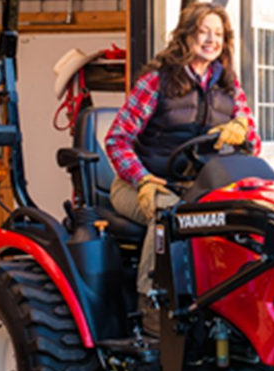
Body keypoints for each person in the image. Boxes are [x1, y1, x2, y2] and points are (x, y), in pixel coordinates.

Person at [103, 2, 260, 224]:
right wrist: (143, 179)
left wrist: (243, 129)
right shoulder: (157, 81)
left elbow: (254, 144)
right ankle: (152, 260)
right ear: (185, 35)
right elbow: (116, 140)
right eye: (202, 32)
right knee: (173, 220)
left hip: (198, 187)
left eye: (218, 34)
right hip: (143, 185)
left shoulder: (229, 86)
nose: (211, 40)